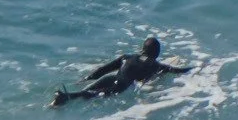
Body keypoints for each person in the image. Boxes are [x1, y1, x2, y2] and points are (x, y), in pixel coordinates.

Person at [51, 37, 189, 105]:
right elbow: (178, 71)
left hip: (110, 78)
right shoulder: (155, 65)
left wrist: (87, 78)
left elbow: (103, 69)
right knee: (91, 95)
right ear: (157, 53)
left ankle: (65, 95)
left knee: (88, 91)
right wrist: (200, 68)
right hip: (121, 86)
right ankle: (65, 98)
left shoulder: (127, 57)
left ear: (142, 49)